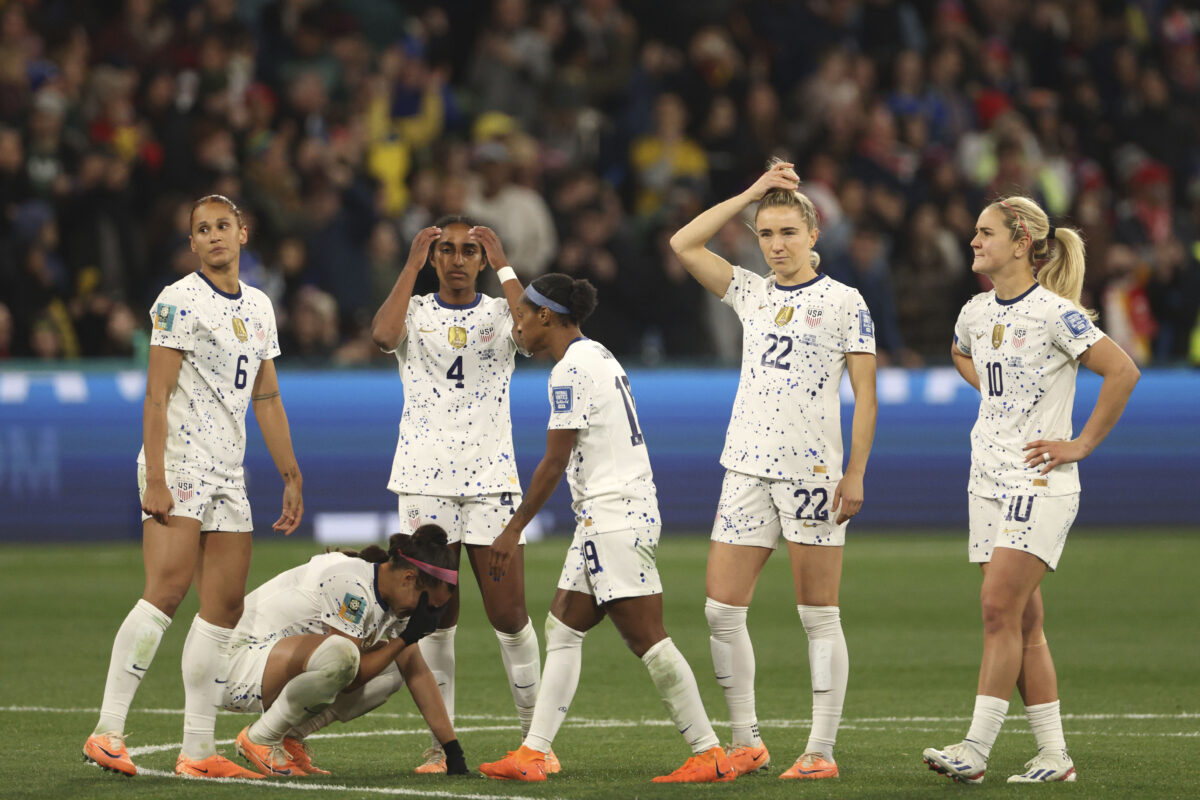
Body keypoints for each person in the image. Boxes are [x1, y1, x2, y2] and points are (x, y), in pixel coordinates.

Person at [478, 274, 736, 784]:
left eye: (523, 315)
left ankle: (708, 753)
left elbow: (553, 463)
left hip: (614, 514)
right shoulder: (598, 354)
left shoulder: (570, 372)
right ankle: (535, 752)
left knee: (648, 639)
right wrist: (506, 267)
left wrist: (512, 530)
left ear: (546, 317)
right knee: (564, 625)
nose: (518, 325)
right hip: (610, 513)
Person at [668, 160, 878, 780]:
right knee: (720, 609)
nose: (777, 245)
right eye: (766, 233)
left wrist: (856, 471)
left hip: (812, 473)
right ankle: (747, 740)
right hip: (745, 468)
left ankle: (820, 752)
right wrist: (753, 193)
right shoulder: (751, 291)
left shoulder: (844, 301)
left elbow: (865, 394)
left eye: (788, 232)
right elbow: (684, 243)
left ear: (814, 236)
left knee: (818, 615)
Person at [83, 194, 304, 779]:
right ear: (192, 244)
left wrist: (289, 472)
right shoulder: (178, 300)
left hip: (229, 471)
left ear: (243, 234)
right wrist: (154, 477)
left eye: (222, 226)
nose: (213, 237)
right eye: (201, 230)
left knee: (225, 608)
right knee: (167, 591)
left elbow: (267, 396)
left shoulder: (258, 306)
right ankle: (107, 731)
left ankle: (198, 751)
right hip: (179, 463)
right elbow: (156, 395)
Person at [923, 197, 1139, 784]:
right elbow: (963, 352)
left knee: (997, 607)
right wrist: (1001, 397)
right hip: (986, 477)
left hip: (1039, 482)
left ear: (1021, 242)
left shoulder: (1056, 315)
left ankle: (976, 748)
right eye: (973, 232)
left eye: (984, 232)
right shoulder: (974, 311)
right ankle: (1054, 756)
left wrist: (1081, 443)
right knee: (1022, 624)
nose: (973, 241)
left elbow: (1123, 371)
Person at [370, 216, 555, 773]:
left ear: (481, 259)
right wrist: (408, 265)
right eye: (445, 250)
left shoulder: (502, 312)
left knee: (510, 614)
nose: (455, 259)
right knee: (433, 616)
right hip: (425, 478)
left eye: (468, 251)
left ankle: (536, 744)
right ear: (432, 260)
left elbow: (536, 335)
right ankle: (439, 745)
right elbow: (381, 337)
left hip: (491, 479)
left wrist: (506, 266)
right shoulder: (417, 311)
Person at [221, 526, 468, 777]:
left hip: (266, 666)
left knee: (394, 667)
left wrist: (452, 751)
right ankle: (263, 737)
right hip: (234, 667)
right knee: (343, 655)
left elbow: (419, 674)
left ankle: (288, 738)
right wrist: (404, 639)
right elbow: (350, 674)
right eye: (427, 604)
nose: (426, 614)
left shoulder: (393, 597)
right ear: (408, 578)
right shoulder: (350, 584)